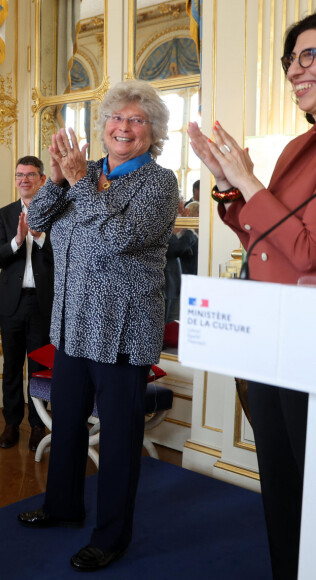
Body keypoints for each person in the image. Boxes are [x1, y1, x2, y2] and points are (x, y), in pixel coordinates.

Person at [18, 80, 178, 572]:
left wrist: (81, 182)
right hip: (70, 326)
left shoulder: (159, 183)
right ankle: (62, 507)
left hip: (123, 333)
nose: (123, 127)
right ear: (102, 126)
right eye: (115, 118)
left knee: (118, 440)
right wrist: (62, 179)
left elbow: (118, 237)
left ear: (152, 133)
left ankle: (112, 535)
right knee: (66, 425)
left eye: (136, 120)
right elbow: (38, 217)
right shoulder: (81, 173)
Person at [187, 13, 316, 579]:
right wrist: (226, 182)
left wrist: (252, 182)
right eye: (291, 59)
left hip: (307, 341)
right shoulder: (297, 146)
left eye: (308, 56)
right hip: (272, 335)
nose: (294, 69)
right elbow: (261, 238)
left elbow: (307, 252)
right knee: (282, 482)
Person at [0, 155, 54, 451]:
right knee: (12, 366)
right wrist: (17, 240)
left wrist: (39, 237)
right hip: (11, 304)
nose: (24, 180)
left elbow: (64, 259)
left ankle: (38, 426)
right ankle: (11, 424)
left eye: (30, 175)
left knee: (39, 367)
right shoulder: (4, 215)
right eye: (19, 175)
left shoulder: (56, 213)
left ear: (42, 179)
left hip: (42, 303)